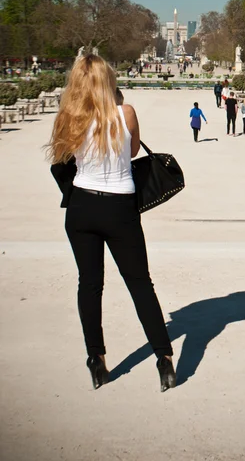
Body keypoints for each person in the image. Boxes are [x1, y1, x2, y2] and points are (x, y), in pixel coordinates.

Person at [47, 53, 175, 392]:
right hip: (120, 207)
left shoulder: (68, 117)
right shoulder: (126, 113)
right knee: (140, 284)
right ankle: (164, 359)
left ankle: (96, 359)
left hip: (81, 207)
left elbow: (62, 158)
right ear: (109, 81)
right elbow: (132, 152)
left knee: (90, 284)